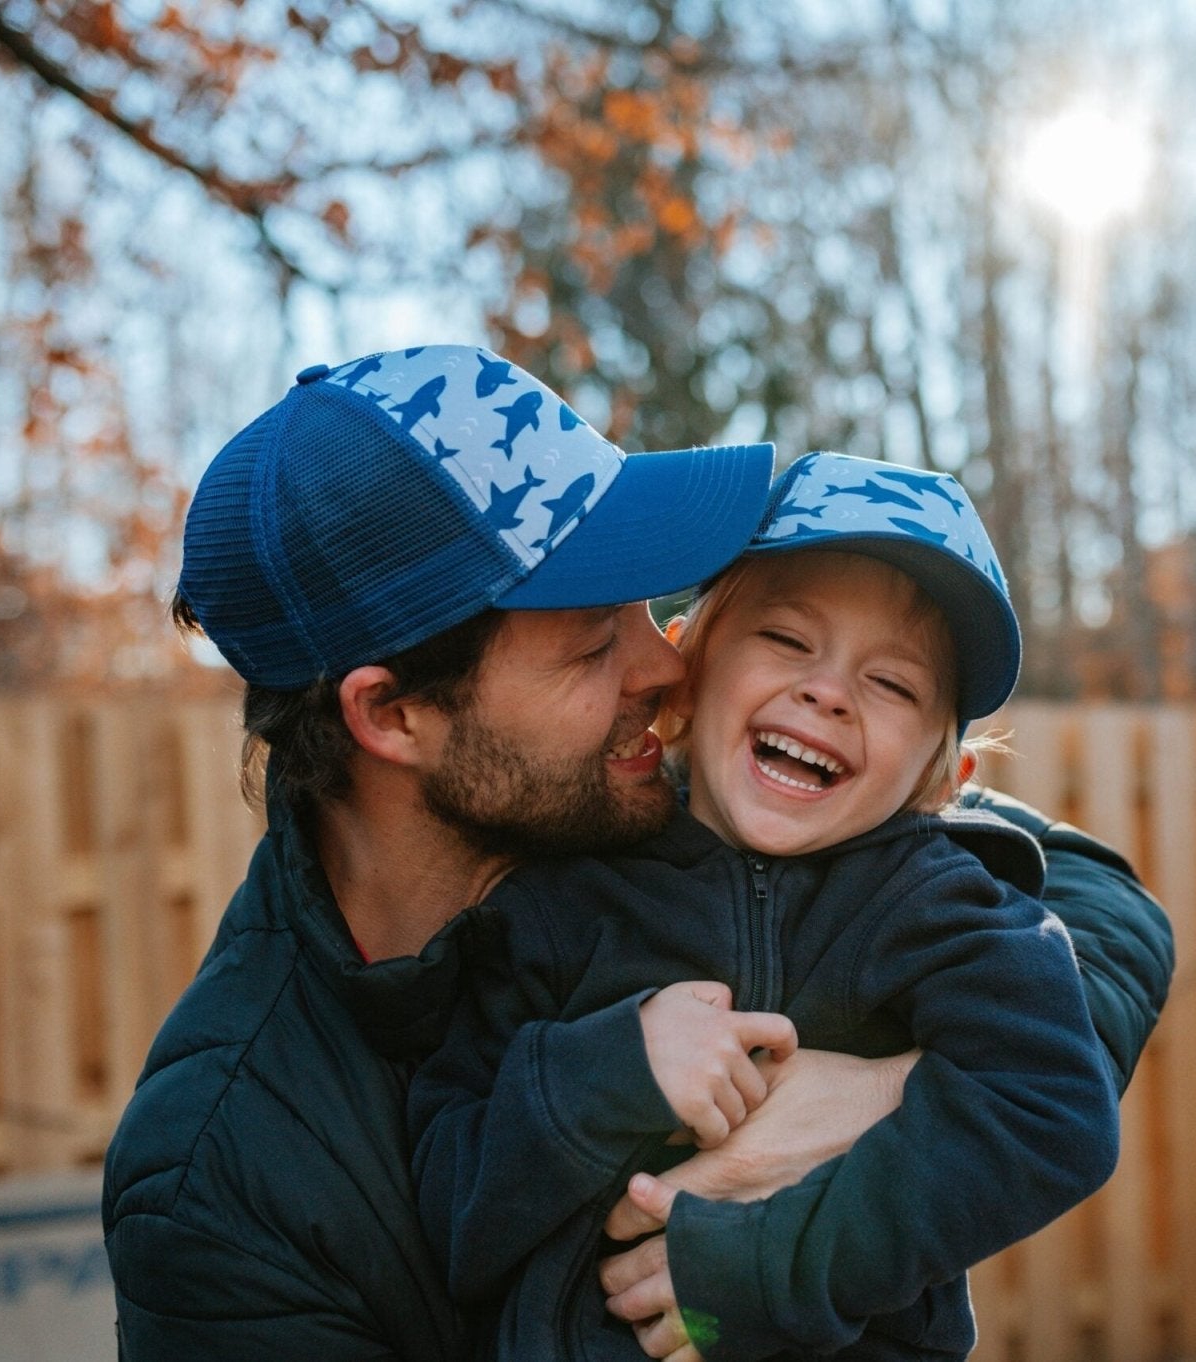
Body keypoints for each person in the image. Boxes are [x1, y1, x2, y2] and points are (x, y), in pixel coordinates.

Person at [100, 345, 1175, 1361]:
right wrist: (611, 1082)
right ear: (394, 715)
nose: (665, 666)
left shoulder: (674, 809)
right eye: (588, 644)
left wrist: (897, 1090)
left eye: (647, 608)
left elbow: (1066, 882)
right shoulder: (220, 1184)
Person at [409, 453, 1118, 1361]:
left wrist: (774, 1270)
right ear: (686, 673)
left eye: (894, 684)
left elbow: (1055, 1112)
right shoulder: (558, 896)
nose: (828, 692)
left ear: (944, 779)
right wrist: (611, 1070)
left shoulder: (944, 911)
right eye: (787, 639)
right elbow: (450, 1209)